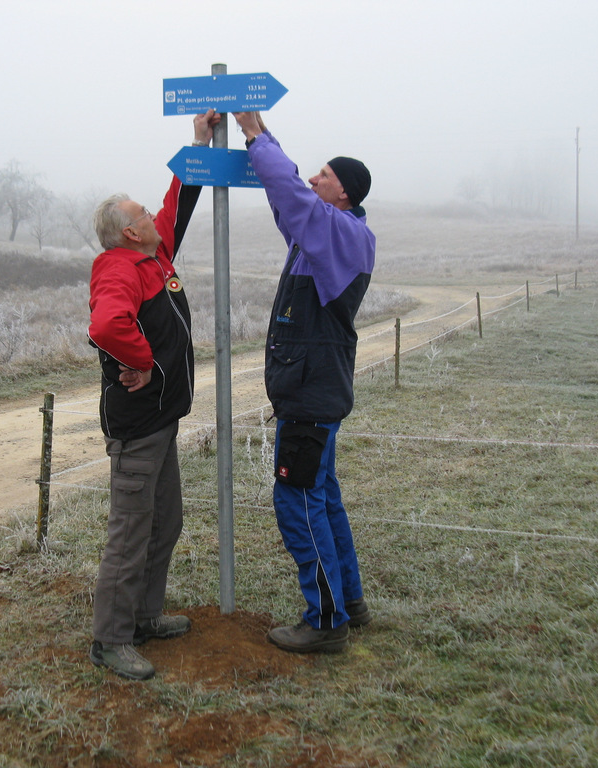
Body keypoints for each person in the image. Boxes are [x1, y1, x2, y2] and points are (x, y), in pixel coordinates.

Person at [233, 111, 376, 654]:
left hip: (310, 394)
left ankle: (325, 622)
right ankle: (351, 603)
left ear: (343, 195)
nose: (314, 179)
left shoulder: (340, 232)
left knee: (297, 500)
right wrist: (265, 142)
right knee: (324, 497)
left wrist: (252, 134)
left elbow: (294, 198)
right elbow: (286, 202)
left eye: (324, 175)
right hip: (318, 389)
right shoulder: (332, 236)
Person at [86, 108, 221, 680]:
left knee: (166, 522)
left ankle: (144, 618)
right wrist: (140, 361)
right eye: (142, 212)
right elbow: (108, 326)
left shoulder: (153, 253)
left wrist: (197, 142)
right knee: (130, 532)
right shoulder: (118, 267)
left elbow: (178, 202)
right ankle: (111, 640)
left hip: (164, 418)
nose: (151, 213)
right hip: (139, 424)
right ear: (129, 231)